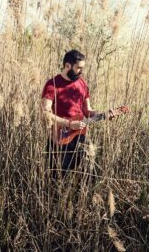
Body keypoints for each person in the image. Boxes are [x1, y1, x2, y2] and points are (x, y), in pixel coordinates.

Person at [40, 49, 108, 178]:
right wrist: (69, 124)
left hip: (81, 135)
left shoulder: (82, 83)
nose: (81, 71)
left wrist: (103, 114)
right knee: (58, 177)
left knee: (89, 172)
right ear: (67, 66)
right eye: (78, 68)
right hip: (60, 137)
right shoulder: (52, 84)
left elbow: (87, 110)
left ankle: (81, 197)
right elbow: (45, 113)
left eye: (82, 68)